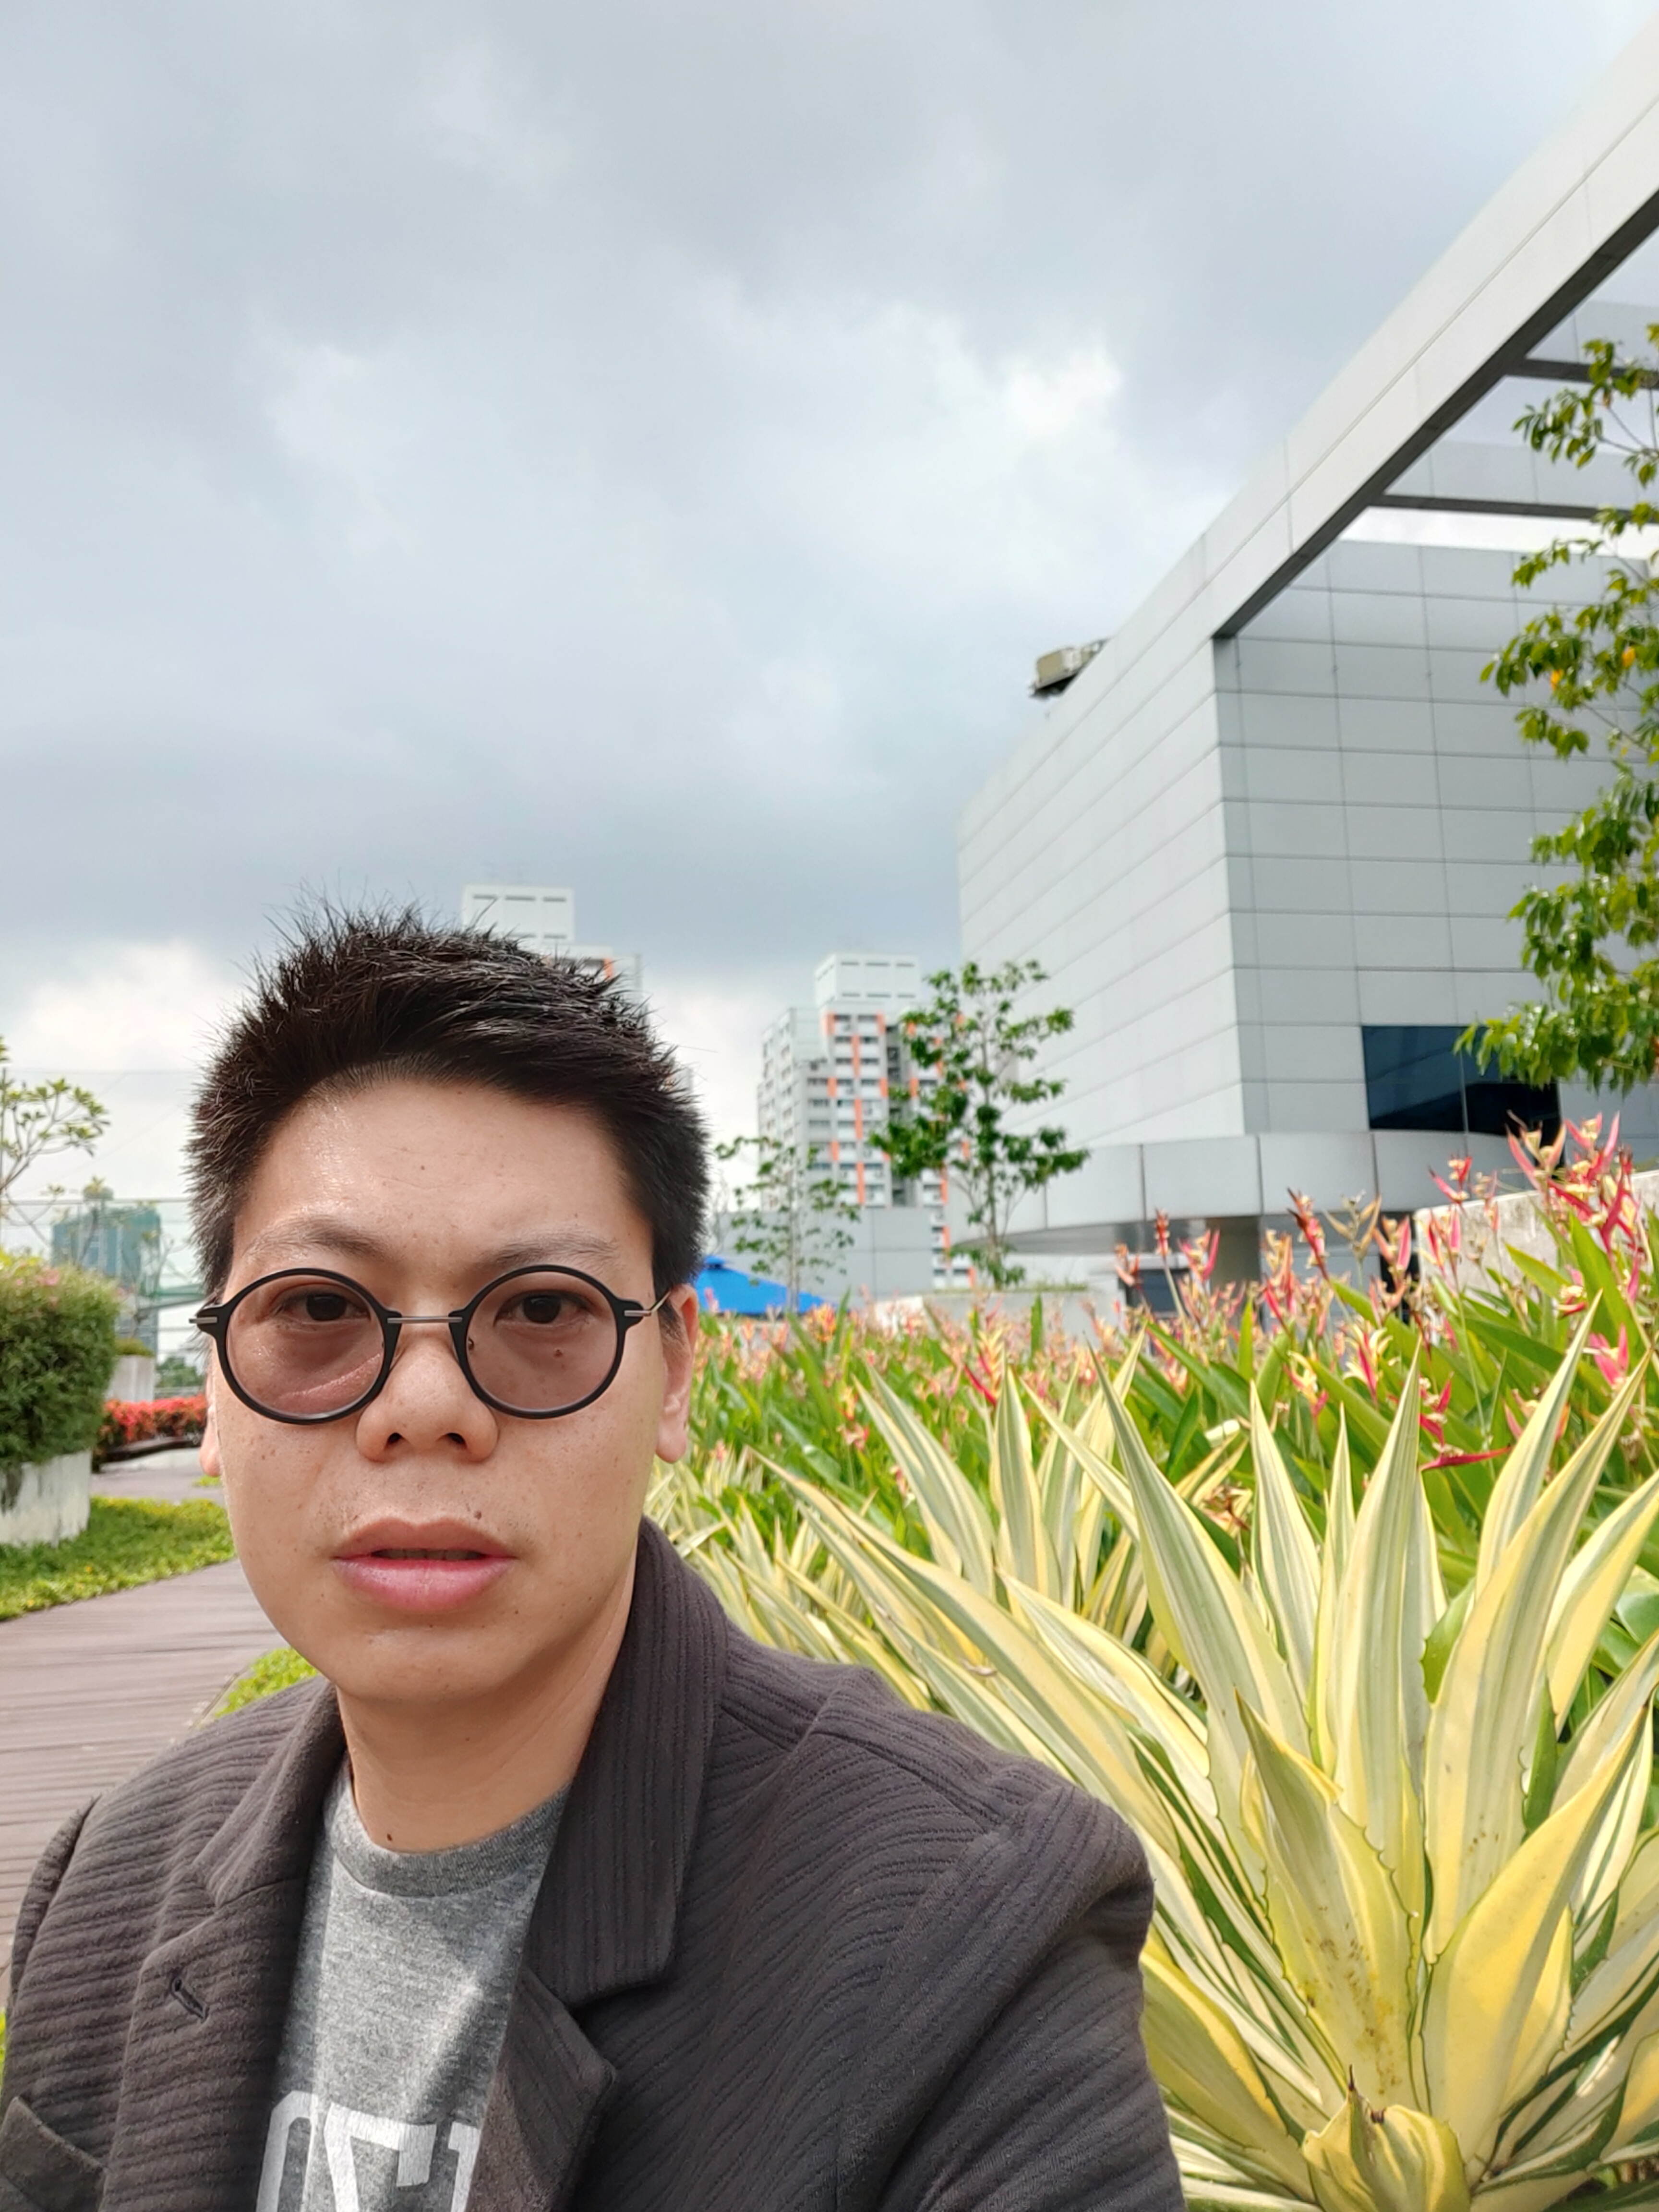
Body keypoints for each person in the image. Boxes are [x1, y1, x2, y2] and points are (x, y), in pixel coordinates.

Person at [0, 909, 1180, 2212]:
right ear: (215, 1389)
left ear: (672, 1372)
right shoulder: (106, 1881)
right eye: (320, 1308)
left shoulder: (965, 1932)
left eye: (543, 1309)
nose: (426, 1405)